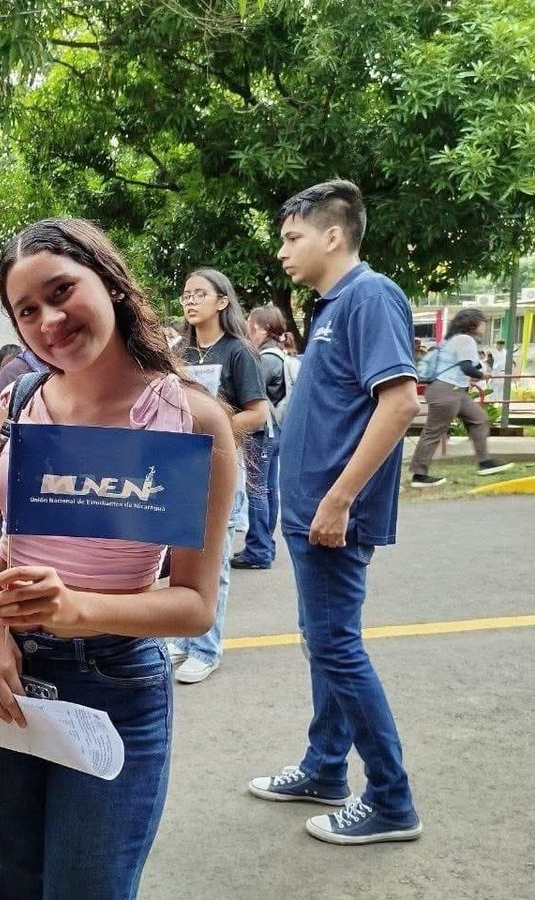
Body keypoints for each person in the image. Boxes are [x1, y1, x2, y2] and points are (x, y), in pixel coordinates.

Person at [0, 219, 236, 900]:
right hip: (4, 674)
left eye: (62, 292)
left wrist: (78, 609)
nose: (48, 321)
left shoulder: (190, 419)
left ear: (109, 282)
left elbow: (195, 605)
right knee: (13, 886)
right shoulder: (18, 402)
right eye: (27, 310)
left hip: (114, 681)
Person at [248, 179, 424, 845]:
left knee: (337, 647)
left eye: (293, 237)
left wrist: (339, 498)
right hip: (310, 512)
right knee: (322, 643)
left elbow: (400, 403)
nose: (285, 251)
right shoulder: (331, 307)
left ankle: (391, 800)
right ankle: (325, 768)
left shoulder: (370, 295)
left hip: (332, 515)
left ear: (332, 235)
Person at [169, 268, 268, 683]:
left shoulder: (239, 352)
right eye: (186, 295)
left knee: (215, 567)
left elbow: (259, 413)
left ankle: (207, 649)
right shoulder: (182, 356)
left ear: (222, 302)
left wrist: (215, 429)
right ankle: (184, 638)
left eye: (200, 294)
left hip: (221, 470)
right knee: (181, 561)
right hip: (183, 471)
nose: (190, 301)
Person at [410, 309, 513, 487]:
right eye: (482, 321)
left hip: (453, 390)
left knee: (479, 419)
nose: (484, 325)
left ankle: (484, 462)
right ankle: (419, 475)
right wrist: (482, 376)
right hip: (447, 390)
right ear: (472, 323)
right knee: (433, 432)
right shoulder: (465, 340)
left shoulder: (451, 340)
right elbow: (467, 368)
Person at [232, 305, 300, 571]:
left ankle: (259, 548)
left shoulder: (266, 359)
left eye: (251, 324)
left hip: (262, 433)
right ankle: (264, 546)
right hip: (275, 432)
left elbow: (248, 393)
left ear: (261, 328)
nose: (248, 328)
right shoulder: (279, 355)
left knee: (258, 491)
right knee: (269, 490)